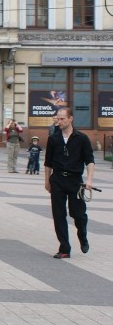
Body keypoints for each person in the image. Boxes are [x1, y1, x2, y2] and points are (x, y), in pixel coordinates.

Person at [44, 107, 94, 259]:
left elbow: (90, 161)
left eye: (62, 119)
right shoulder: (53, 139)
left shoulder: (82, 138)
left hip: (75, 181)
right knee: (58, 215)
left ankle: (83, 235)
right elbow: (48, 163)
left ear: (70, 118)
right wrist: (47, 181)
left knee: (78, 214)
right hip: (57, 179)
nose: (59, 121)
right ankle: (64, 248)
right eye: (57, 119)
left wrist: (89, 180)